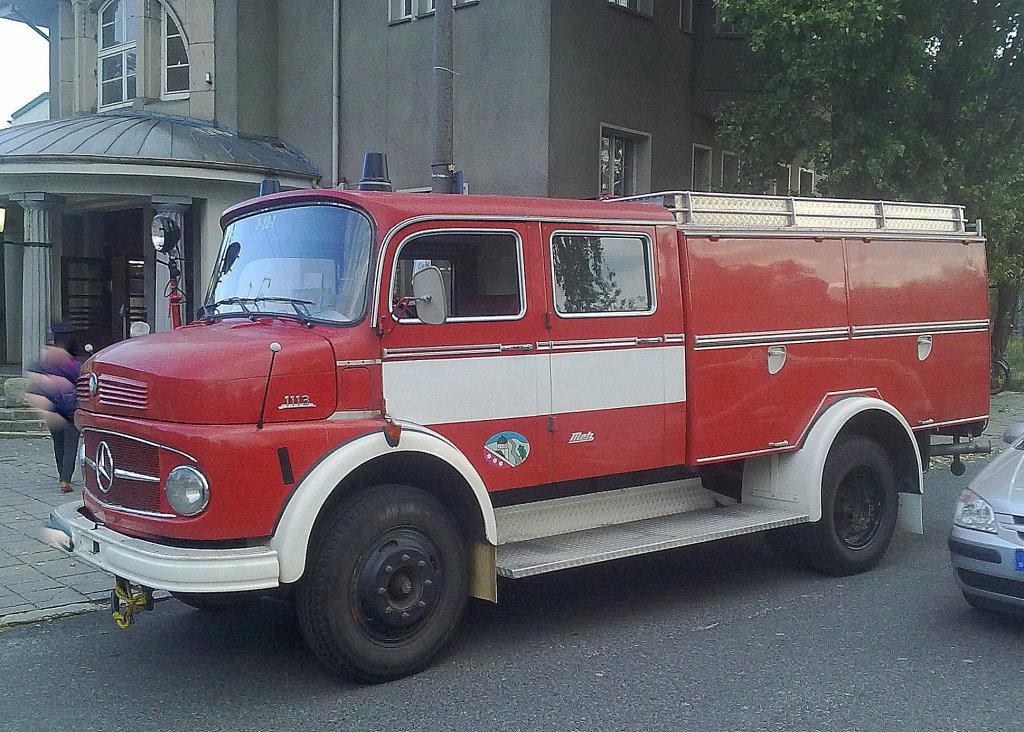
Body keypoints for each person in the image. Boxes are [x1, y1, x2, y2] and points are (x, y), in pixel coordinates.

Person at [26, 322, 82, 493]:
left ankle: (61, 476)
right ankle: (66, 478)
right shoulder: (75, 365)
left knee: (58, 443)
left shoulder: (45, 363)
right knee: (71, 444)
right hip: (71, 409)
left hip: (52, 409)